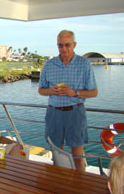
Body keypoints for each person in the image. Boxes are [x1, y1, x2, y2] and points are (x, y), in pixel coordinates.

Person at [38, 30, 98, 171]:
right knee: (57, 154)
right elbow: (41, 90)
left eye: (67, 45)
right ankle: (60, 185)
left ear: (74, 44)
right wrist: (50, 91)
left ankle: (79, 186)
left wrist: (75, 93)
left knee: (78, 155)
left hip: (75, 112)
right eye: (60, 45)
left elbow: (94, 92)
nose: (64, 49)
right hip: (54, 113)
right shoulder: (49, 64)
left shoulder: (84, 64)